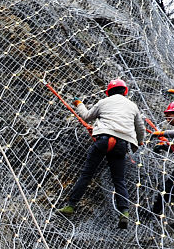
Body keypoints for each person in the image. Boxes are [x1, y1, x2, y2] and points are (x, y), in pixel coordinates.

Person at [57, 78, 146, 229]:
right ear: (125, 91)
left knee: (87, 174)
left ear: (108, 91)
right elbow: (141, 128)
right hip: (121, 145)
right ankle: (124, 213)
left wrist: (79, 104)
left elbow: (86, 116)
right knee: (119, 180)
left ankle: (71, 206)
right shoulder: (133, 106)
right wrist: (140, 142)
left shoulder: (104, 102)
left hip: (104, 140)